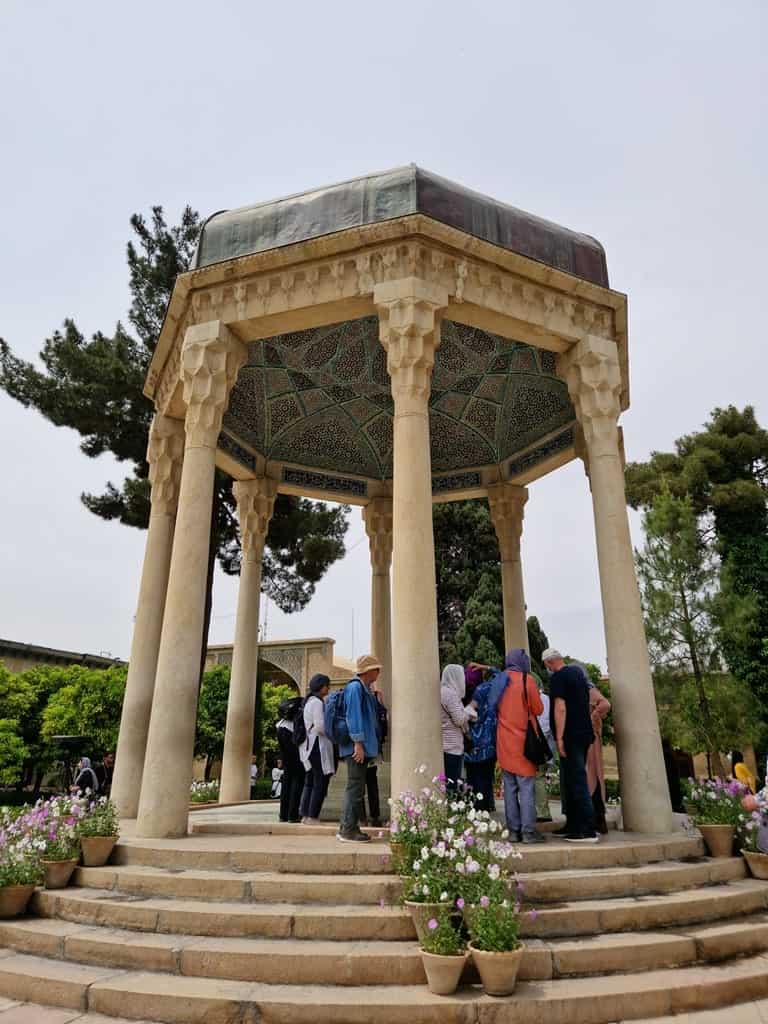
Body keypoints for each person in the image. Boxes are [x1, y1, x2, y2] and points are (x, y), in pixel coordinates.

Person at [488, 648, 545, 844]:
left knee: (509, 788)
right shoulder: (526, 680)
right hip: (524, 742)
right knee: (526, 788)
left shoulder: (499, 681)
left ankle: (513, 831)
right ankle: (528, 832)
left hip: (504, 741)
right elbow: (538, 708)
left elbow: (491, 707)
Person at [543, 648, 598, 843]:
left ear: (549, 663)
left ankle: (586, 828)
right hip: (584, 734)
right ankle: (574, 824)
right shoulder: (578, 674)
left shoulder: (558, 678)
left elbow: (560, 708)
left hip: (570, 736)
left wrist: (559, 738)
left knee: (576, 780)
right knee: (570, 780)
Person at [337, 655, 381, 843]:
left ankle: (348, 827)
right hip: (356, 748)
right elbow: (353, 716)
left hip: (360, 746)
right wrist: (358, 743)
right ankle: (348, 830)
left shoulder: (363, 689)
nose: (379, 672)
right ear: (368, 671)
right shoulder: (355, 688)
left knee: (355, 787)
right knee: (355, 788)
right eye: (376, 669)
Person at [298, 674, 334, 824]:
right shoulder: (318, 703)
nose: (328, 688)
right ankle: (313, 816)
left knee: (310, 782)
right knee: (319, 782)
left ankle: (305, 815)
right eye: (327, 685)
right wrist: (333, 733)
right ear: (321, 686)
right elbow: (320, 726)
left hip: (308, 747)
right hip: (316, 746)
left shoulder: (309, 702)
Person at [464, 666, 497, 811]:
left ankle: (473, 807)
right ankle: (485, 806)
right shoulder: (491, 689)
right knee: (486, 777)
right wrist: (487, 667)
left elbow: (464, 714)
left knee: (472, 777)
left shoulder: (462, 691)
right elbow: (502, 676)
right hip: (489, 741)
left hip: (470, 742)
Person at [440, 664, 477, 788]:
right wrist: (471, 707)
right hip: (451, 747)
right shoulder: (449, 694)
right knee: (452, 784)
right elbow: (459, 720)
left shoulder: (445, 692)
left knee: (452, 783)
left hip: (449, 745)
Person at [586, 683, 611, 834]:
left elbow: (606, 704)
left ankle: (598, 819)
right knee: (590, 778)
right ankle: (596, 819)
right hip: (587, 739)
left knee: (592, 777)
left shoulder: (590, 689)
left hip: (591, 741)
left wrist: (593, 717)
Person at [362, 689, 388, 828]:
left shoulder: (357, 694)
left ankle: (362, 818)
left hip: (363, 746)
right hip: (371, 746)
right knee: (371, 783)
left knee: (363, 783)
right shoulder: (375, 696)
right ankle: (374, 817)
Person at [276, 698, 305, 822]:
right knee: (297, 784)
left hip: (286, 759)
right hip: (296, 758)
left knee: (286, 785)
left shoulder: (280, 725)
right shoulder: (292, 726)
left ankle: (283, 814)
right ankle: (293, 815)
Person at [534, 679, 554, 823]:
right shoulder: (544, 698)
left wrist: (535, 738)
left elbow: (545, 724)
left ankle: (542, 812)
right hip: (542, 743)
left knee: (538, 777)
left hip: (540, 745)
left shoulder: (543, 699)